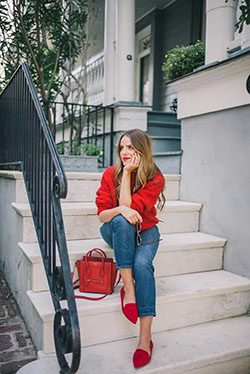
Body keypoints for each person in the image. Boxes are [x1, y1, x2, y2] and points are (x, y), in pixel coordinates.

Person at [95, 128, 166, 368]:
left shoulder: (155, 177)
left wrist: (129, 175)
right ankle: (128, 288)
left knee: (143, 265)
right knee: (121, 219)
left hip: (146, 231)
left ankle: (145, 339)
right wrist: (120, 209)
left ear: (141, 150)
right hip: (115, 230)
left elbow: (133, 207)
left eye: (130, 147)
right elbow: (103, 215)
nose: (125, 152)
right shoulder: (109, 175)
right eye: (122, 148)